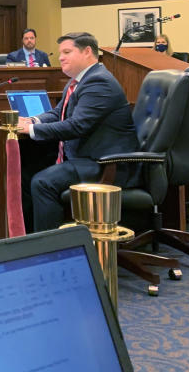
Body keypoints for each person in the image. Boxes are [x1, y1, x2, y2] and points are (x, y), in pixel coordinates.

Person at [16, 32, 139, 232]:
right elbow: (59, 113)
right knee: (26, 173)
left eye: (67, 52)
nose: (61, 57)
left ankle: (52, 248)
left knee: (42, 182)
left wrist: (31, 129)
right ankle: (30, 238)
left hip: (106, 163)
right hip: (85, 156)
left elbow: (76, 126)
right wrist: (32, 120)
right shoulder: (79, 80)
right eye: (60, 53)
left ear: (87, 52)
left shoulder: (99, 82)